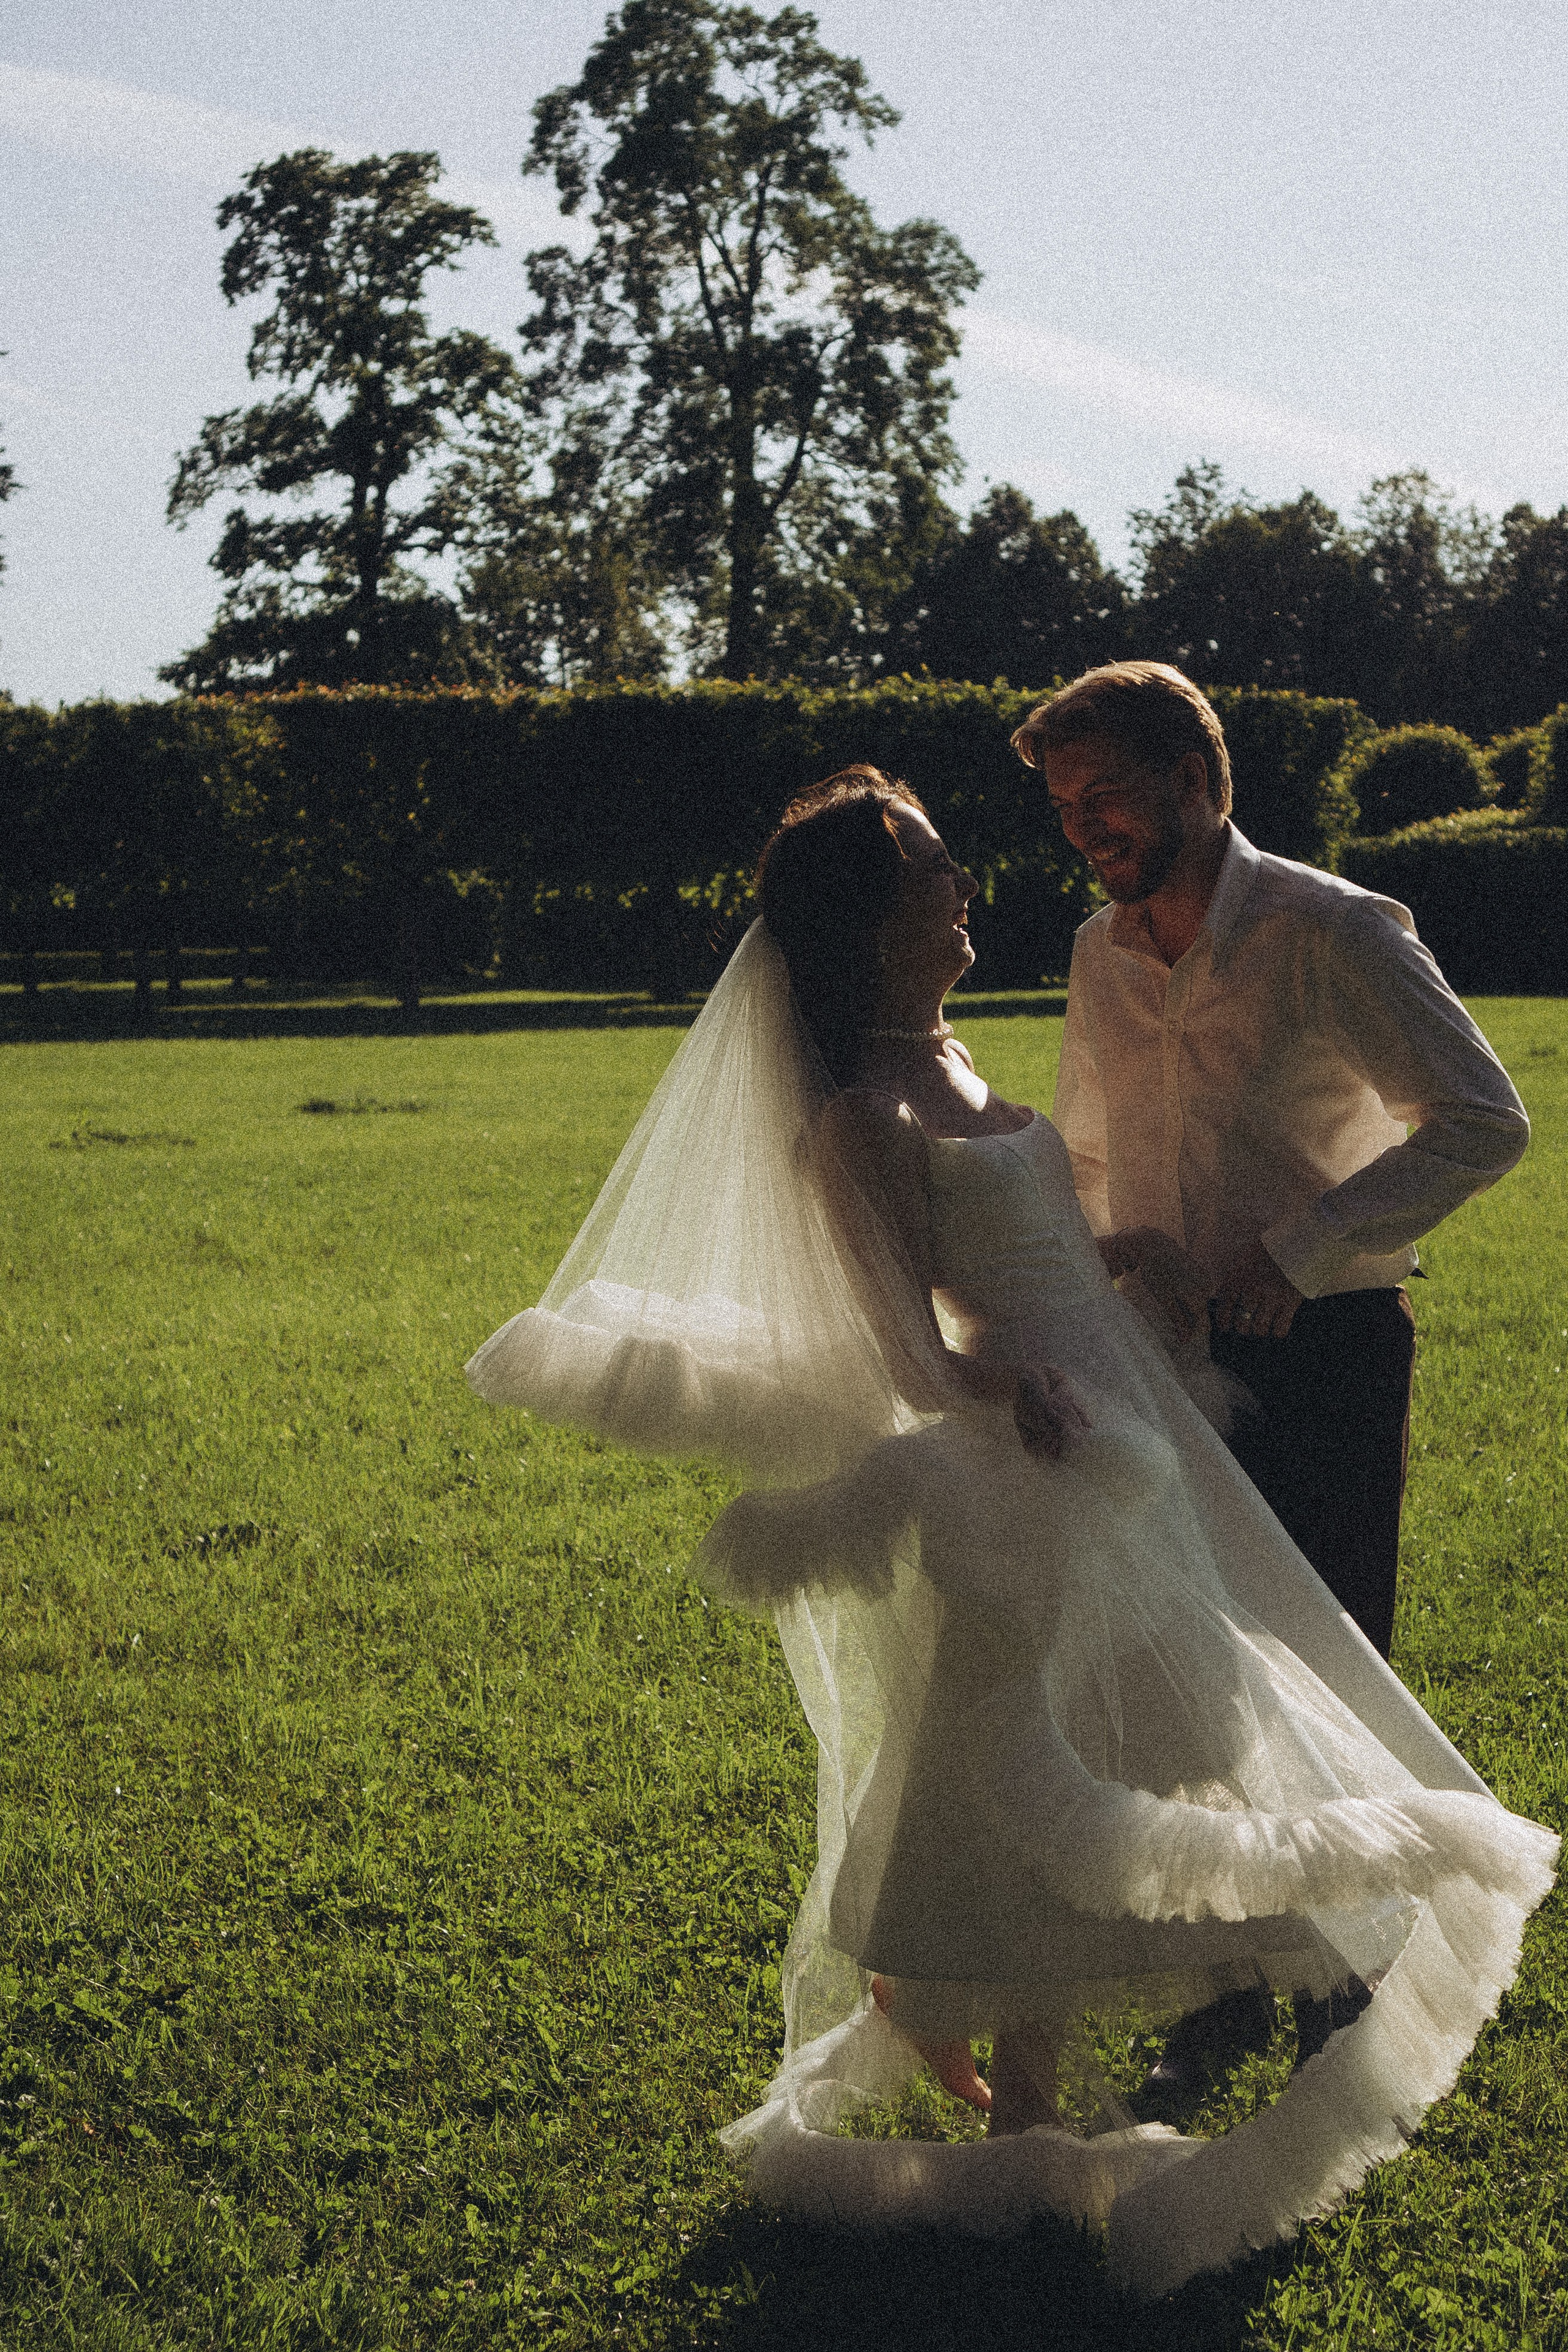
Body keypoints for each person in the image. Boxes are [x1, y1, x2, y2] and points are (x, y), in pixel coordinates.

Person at [465, 768, 1555, 2299]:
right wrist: (1012, 1385)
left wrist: (1115, 1250)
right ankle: (992, 2070)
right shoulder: (856, 1118)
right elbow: (911, 1353)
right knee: (1028, 1750)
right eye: (929, 864)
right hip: (1026, 1451)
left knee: (1128, 1731)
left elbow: (1018, 1234)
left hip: (1127, 1422)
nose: (961, 878)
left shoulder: (956, 1057)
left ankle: (984, 2048)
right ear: (870, 920)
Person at [1011, 662, 1530, 1665]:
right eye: (1065, 806)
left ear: (1191, 780)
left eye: (1102, 795)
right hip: (1153, 1358)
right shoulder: (1095, 951)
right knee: (1177, 1672)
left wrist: (1297, 1252)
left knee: (1331, 1671)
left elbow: (1483, 1120)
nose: (1081, 829)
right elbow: (1085, 1154)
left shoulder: (1336, 928)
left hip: (1325, 1356)